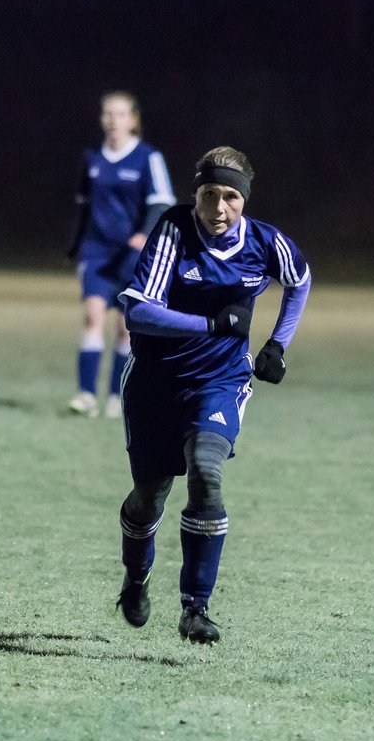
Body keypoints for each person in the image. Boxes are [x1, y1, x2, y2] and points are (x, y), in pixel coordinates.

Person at [113, 146, 312, 644]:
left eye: (229, 197)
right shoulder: (173, 233)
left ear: (243, 199)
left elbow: (300, 281)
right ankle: (135, 580)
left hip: (220, 383)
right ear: (195, 194)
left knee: (206, 468)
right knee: (149, 496)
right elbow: (137, 312)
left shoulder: (266, 243)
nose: (218, 208)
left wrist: (278, 345)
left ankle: (195, 608)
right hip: (155, 385)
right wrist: (209, 323)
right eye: (208, 195)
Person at [65, 91, 176, 419]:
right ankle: (86, 395)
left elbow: (162, 201)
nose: (113, 121)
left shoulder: (147, 158)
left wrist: (144, 234)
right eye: (108, 114)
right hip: (96, 252)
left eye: (120, 114)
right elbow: (83, 207)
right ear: (102, 120)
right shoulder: (92, 159)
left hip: (132, 253)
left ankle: (117, 395)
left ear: (133, 120)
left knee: (125, 328)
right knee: (92, 315)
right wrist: (74, 248)